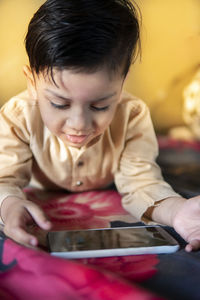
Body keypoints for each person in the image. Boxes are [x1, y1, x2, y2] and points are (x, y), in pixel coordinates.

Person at [0, 0, 200, 252]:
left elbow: (142, 183)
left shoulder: (133, 114)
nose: (79, 125)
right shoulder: (16, 116)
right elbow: (3, 178)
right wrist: (8, 204)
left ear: (121, 83)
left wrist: (177, 211)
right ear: (31, 82)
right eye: (59, 104)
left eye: (100, 106)